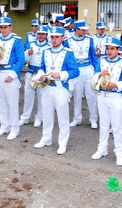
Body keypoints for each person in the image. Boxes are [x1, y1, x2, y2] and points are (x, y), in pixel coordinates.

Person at [33, 26, 79, 155]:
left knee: (62, 117)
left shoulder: (68, 53)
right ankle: (46, 138)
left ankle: (62, 142)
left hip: (60, 87)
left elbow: (75, 71)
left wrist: (61, 74)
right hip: (47, 87)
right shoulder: (46, 51)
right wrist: (40, 75)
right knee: (46, 115)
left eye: (57, 37)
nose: (54, 40)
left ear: (62, 38)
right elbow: (42, 66)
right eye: (52, 37)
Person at [91, 36, 122, 166]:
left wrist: (115, 85)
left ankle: (119, 152)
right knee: (103, 124)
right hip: (103, 95)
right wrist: (99, 75)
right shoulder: (101, 61)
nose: (109, 51)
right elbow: (94, 78)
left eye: (112, 49)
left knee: (116, 126)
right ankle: (102, 148)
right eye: (107, 49)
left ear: (118, 49)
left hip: (116, 97)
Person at [0, 17, 25, 140]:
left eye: (5, 27)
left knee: (12, 103)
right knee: (0, 101)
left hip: (9, 72)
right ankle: (4, 125)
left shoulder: (16, 40)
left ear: (10, 27)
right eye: (1, 27)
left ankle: (14, 128)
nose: (3, 30)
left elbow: (21, 59)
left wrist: (12, 75)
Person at [64, 20, 98, 129]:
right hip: (76, 69)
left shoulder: (89, 40)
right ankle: (77, 118)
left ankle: (93, 119)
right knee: (77, 95)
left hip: (88, 68)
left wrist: (96, 71)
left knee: (91, 95)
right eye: (82, 29)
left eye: (85, 30)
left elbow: (93, 56)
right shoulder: (68, 41)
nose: (84, 31)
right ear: (76, 29)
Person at [19, 25, 51, 127]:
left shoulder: (49, 47)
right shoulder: (31, 44)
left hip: (42, 75)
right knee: (28, 96)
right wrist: (28, 53)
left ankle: (39, 117)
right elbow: (23, 58)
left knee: (41, 97)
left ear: (46, 35)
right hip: (30, 72)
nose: (41, 36)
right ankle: (25, 117)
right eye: (39, 34)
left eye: (43, 34)